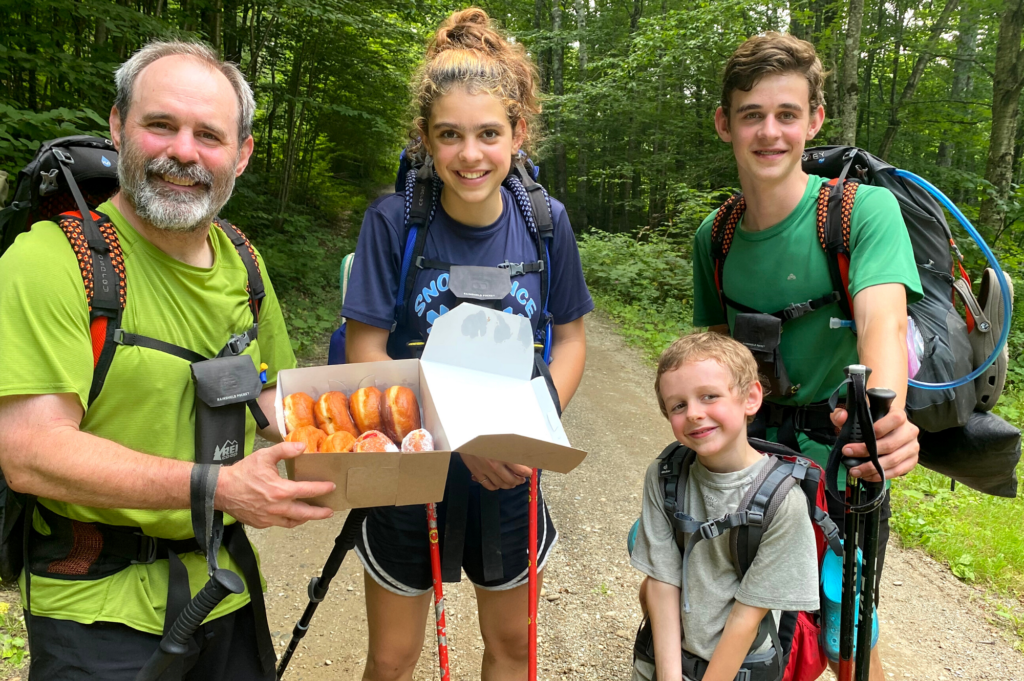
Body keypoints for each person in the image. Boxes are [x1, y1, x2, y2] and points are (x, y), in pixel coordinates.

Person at [0, 41, 336, 680]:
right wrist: (221, 487)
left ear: (241, 154)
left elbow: (272, 398)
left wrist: (381, 455)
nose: (184, 151)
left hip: (224, 590)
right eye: (161, 125)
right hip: (96, 614)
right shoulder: (48, 264)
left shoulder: (242, 261)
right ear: (118, 126)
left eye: (209, 134)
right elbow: (30, 452)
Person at [341, 8, 593, 681]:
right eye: (449, 135)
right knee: (393, 656)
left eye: (488, 133)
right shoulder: (395, 222)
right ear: (425, 138)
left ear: (519, 133)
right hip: (408, 457)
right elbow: (364, 348)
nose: (470, 154)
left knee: (511, 647)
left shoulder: (544, 223)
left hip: (508, 462)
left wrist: (526, 429)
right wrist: (455, 430)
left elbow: (569, 338)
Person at [686, 33, 923, 680]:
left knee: (846, 637)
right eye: (751, 115)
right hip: (749, 460)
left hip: (844, 460)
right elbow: (709, 359)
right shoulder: (716, 238)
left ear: (814, 120)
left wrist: (884, 415)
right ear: (723, 124)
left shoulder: (861, 213)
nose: (770, 132)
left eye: (787, 114)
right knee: (743, 625)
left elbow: (883, 317)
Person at [631, 332, 819, 681]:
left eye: (709, 397)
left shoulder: (782, 502)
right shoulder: (664, 474)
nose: (694, 414)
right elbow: (661, 581)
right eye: (678, 405)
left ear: (750, 398)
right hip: (664, 659)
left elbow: (747, 617)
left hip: (738, 667)